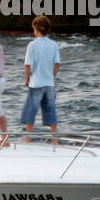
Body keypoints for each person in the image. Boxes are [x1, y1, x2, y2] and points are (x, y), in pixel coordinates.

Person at [21, 14, 60, 143]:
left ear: (36, 29)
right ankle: (55, 139)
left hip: (36, 82)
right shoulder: (54, 44)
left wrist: (26, 79)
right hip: (49, 83)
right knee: (51, 110)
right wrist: (52, 75)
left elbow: (28, 65)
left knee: (31, 111)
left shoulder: (32, 45)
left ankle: (28, 137)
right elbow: (57, 63)